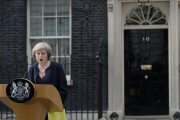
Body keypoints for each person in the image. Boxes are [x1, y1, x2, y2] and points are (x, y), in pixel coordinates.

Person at [27, 42, 68, 120]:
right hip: (37, 108)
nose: (40, 56)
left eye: (43, 53)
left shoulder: (57, 67)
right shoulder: (32, 68)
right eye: (38, 53)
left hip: (53, 107)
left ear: (48, 54)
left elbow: (64, 89)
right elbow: (30, 88)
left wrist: (51, 102)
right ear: (34, 55)